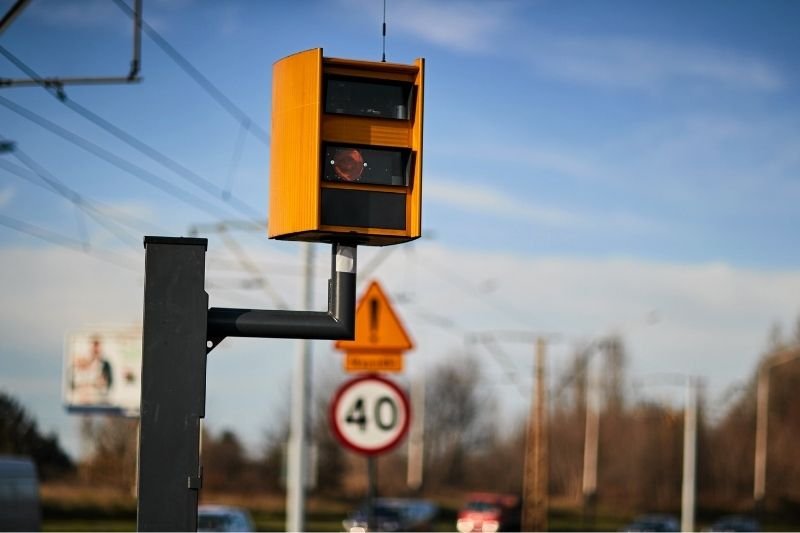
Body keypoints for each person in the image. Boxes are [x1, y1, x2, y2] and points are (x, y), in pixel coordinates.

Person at [71, 337, 113, 404]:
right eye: (94, 346)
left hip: (100, 400)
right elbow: (73, 383)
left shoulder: (105, 364)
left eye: (97, 346)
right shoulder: (84, 363)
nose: (95, 350)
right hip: (84, 401)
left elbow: (109, 383)